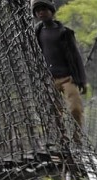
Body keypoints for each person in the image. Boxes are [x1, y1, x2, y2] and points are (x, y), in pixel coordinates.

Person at [32, 0, 86, 133]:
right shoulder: (37, 33)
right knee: (55, 113)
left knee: (75, 109)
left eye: (44, 9)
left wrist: (82, 80)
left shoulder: (65, 32)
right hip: (49, 80)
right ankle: (62, 141)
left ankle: (77, 139)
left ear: (51, 11)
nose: (41, 12)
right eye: (38, 10)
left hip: (68, 78)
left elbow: (76, 57)